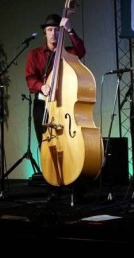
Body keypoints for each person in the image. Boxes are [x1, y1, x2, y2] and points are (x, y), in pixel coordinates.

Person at [25, 13, 85, 202]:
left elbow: (81, 50)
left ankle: (74, 184)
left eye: (57, 30)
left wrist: (70, 29)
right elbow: (30, 78)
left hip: (64, 105)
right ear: (45, 33)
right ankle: (52, 187)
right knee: (47, 145)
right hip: (43, 104)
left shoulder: (68, 53)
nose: (53, 34)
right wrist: (40, 86)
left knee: (69, 144)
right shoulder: (34, 54)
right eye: (50, 30)